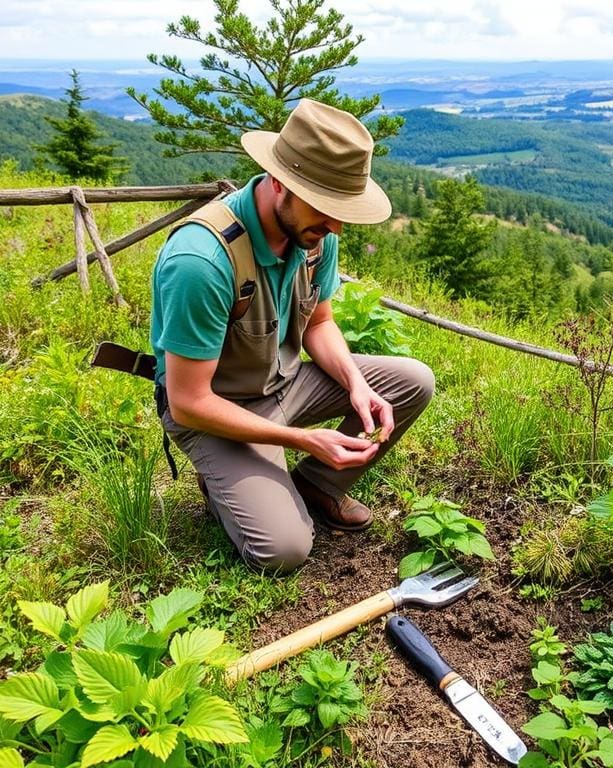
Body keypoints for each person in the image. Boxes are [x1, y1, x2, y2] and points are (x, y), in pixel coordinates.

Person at [150, 99, 434, 573]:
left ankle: (315, 485)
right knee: (283, 552)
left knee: (412, 382)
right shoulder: (201, 262)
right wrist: (302, 438)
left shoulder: (315, 234)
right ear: (280, 182)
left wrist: (356, 385)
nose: (337, 225)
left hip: (284, 383)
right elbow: (188, 403)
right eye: (326, 208)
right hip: (215, 411)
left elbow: (319, 324)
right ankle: (229, 481)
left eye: (343, 211)